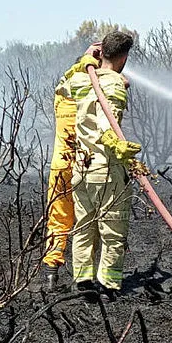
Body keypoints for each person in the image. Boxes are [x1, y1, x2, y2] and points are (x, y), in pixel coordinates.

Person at [66, 29, 140, 298]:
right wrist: (120, 148)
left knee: (84, 227)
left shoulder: (83, 79)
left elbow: (63, 86)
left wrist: (84, 60)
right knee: (113, 229)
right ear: (124, 57)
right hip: (106, 169)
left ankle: (83, 282)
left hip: (81, 168)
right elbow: (108, 122)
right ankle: (108, 286)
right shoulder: (115, 85)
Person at [42, 42, 103, 289]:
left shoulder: (62, 89)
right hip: (84, 166)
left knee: (58, 219)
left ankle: (51, 273)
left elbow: (69, 77)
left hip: (60, 166)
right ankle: (86, 279)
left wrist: (85, 60)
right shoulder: (92, 91)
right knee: (88, 222)